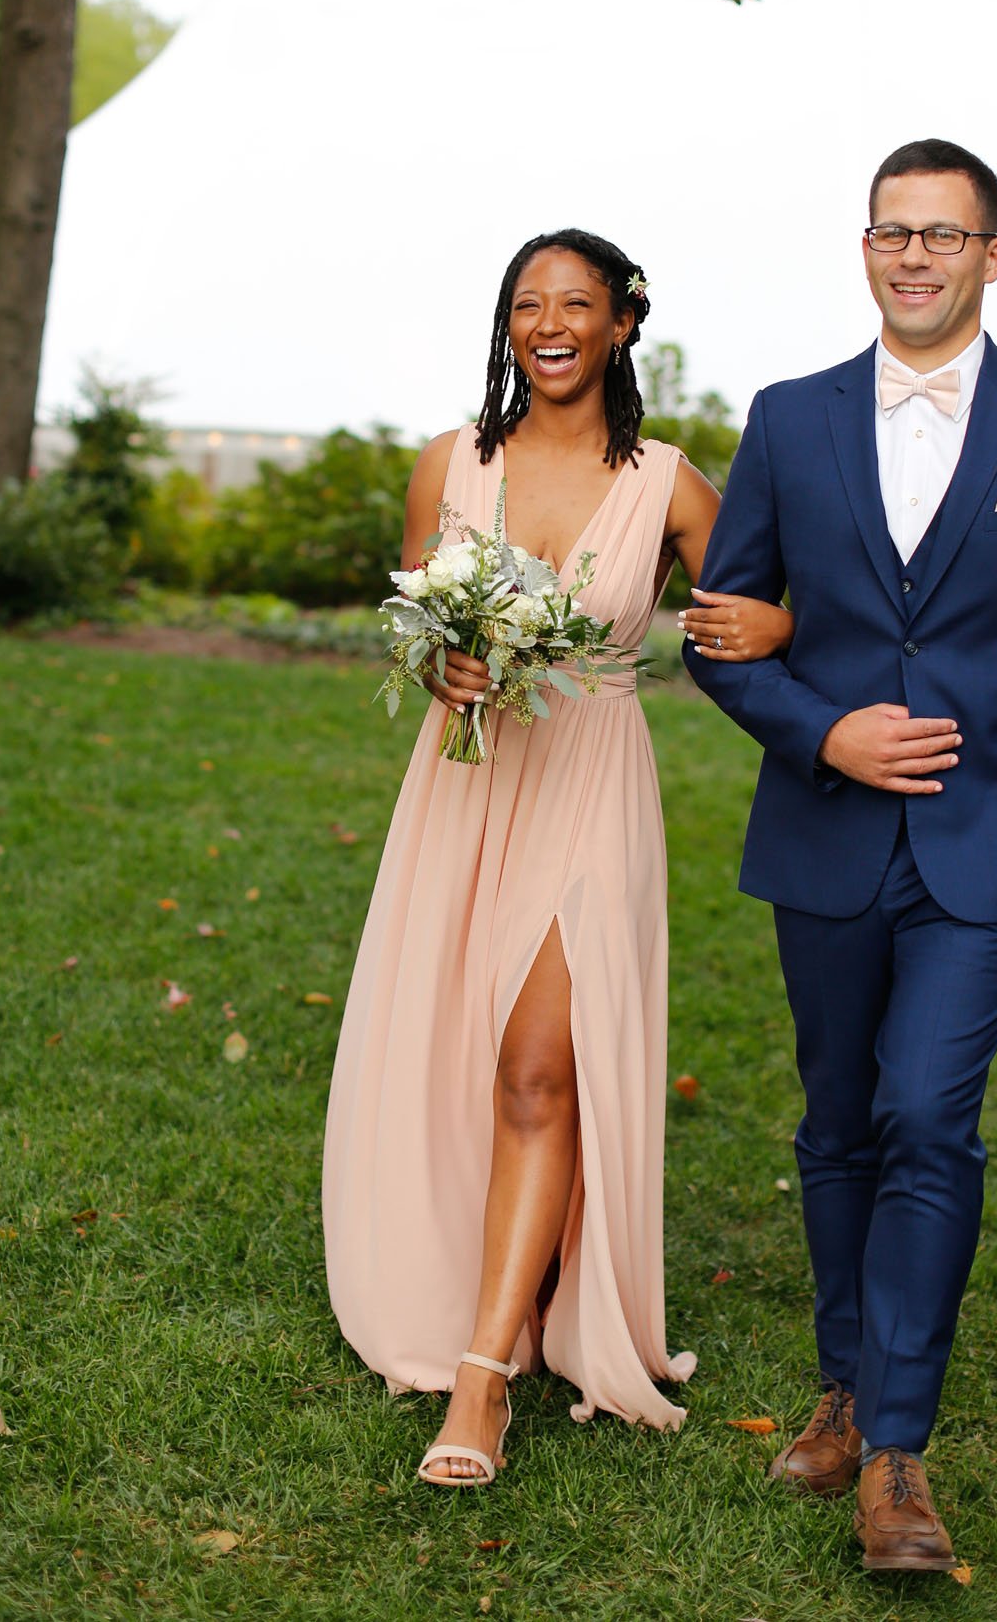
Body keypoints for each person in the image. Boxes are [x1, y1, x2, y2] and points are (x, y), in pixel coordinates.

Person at [682, 138, 997, 1572]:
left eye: (945, 235)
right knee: (838, 1118)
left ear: (994, 257)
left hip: (992, 839)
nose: (916, 255)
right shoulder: (788, 420)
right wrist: (822, 730)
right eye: (893, 233)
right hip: (827, 830)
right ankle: (844, 1387)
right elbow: (720, 636)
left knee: (926, 1113)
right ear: (866, 250)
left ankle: (896, 1455)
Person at [323, 228, 792, 1486]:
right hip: (465, 783)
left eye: (573, 303)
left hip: (588, 777)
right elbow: (416, 632)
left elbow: (772, 601)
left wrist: (774, 615)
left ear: (621, 323)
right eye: (526, 303)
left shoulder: (672, 483)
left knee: (538, 1070)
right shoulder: (450, 466)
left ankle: (481, 1382)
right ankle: (482, 1289)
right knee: (458, 1048)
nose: (547, 323)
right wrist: (445, 661)